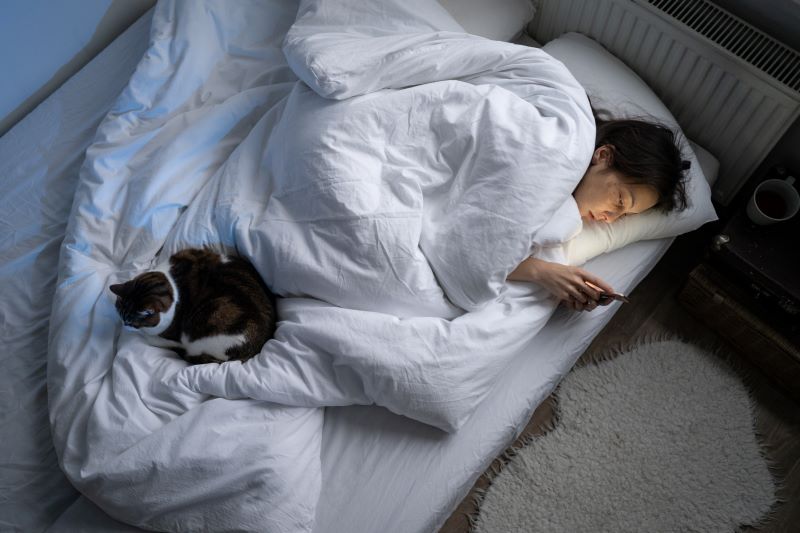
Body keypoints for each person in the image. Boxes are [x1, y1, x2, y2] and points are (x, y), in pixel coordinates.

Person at [507, 117, 689, 312]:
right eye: (620, 201)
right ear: (603, 156)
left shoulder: (566, 218)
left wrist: (559, 281)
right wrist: (541, 272)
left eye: (624, 215)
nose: (609, 218)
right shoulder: (554, 147)